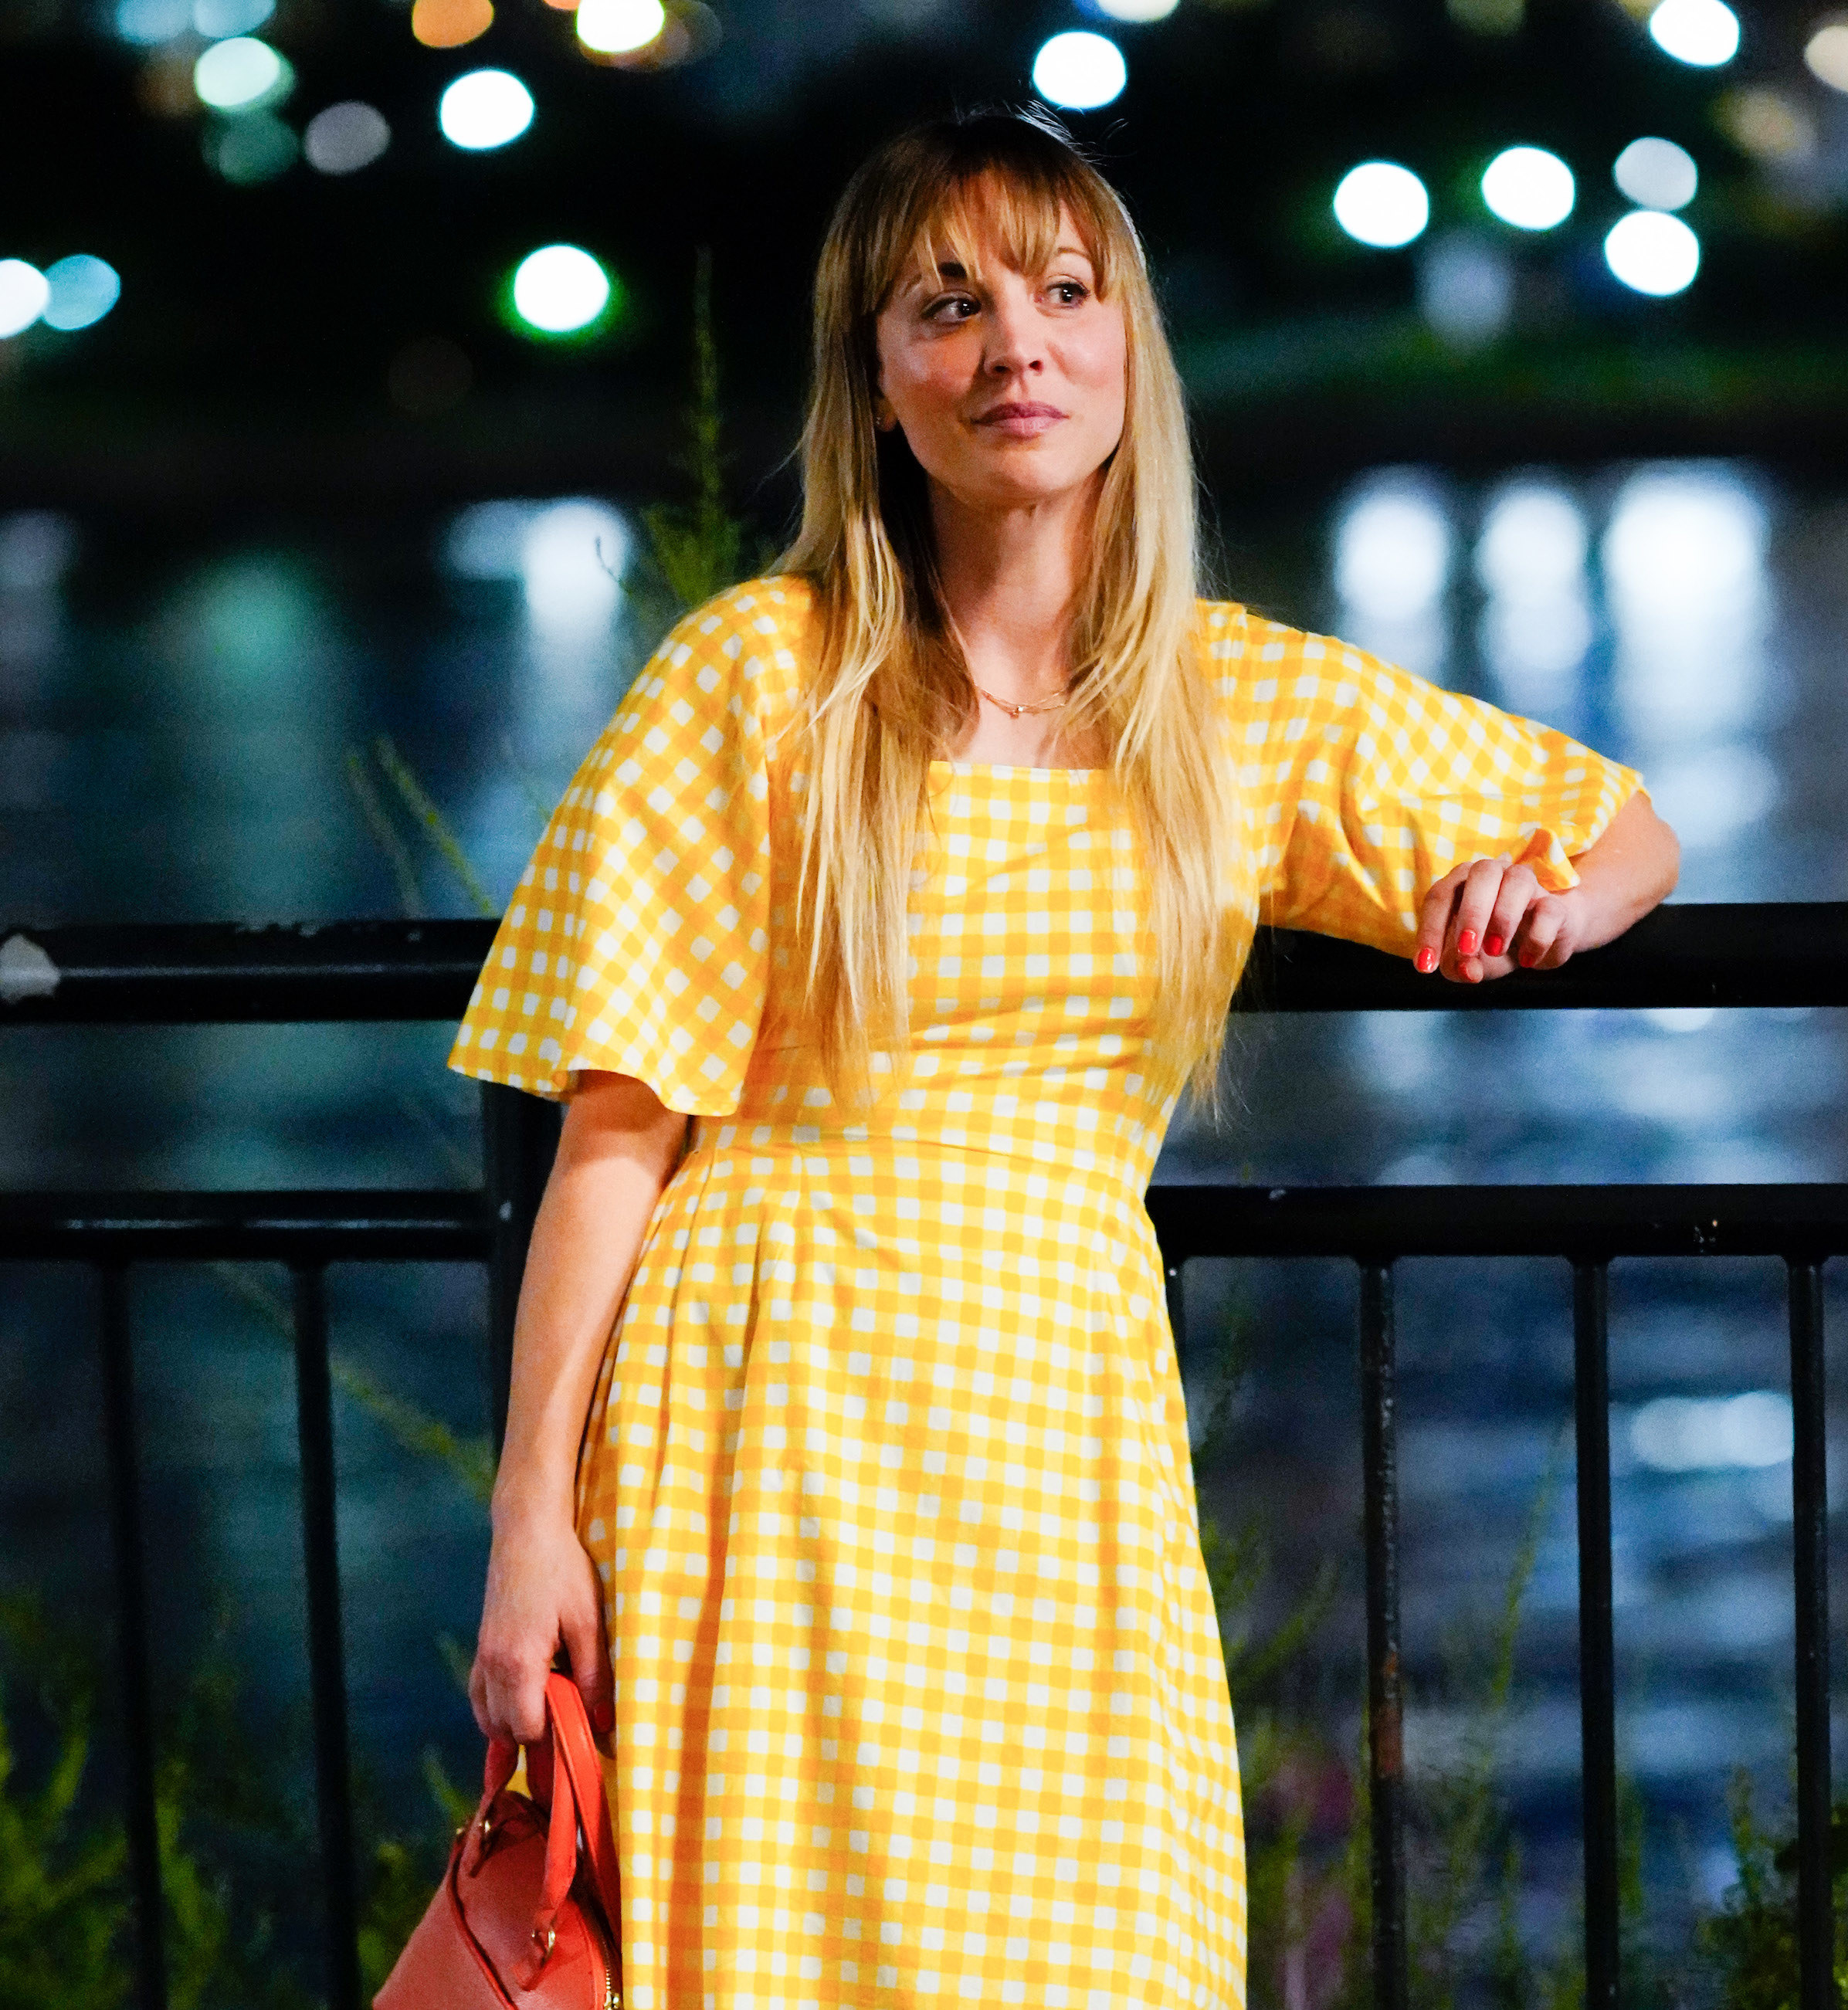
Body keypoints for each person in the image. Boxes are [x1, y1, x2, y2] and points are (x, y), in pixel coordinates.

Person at [449, 107, 1679, 2010]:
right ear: (877, 383)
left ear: (1126, 349)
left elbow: (1613, 823)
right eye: (944, 306)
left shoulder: (1228, 697)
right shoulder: (759, 677)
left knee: (1109, 1949)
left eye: (1059, 291)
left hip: (1056, 1409)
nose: (1011, 345)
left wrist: (1544, 900)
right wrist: (531, 1523)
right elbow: (615, 1121)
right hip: (764, 1406)